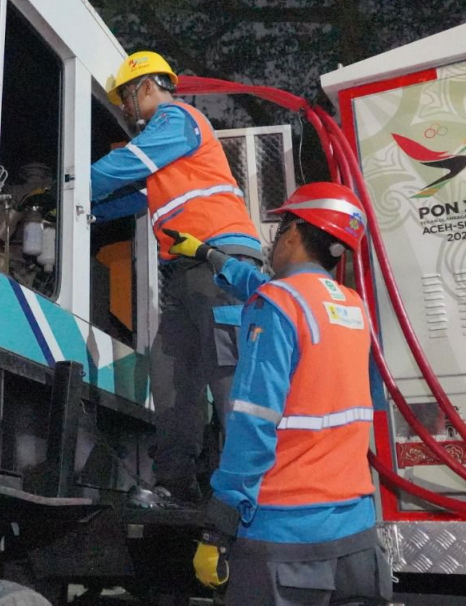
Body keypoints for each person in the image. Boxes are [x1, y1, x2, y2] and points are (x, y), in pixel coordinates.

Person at [166, 182, 391, 606]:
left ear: (292, 234)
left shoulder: (278, 304)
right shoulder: (352, 307)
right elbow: (270, 288)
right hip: (356, 540)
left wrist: (220, 522)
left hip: (285, 542)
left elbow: (253, 422)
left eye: (279, 231)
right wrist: (208, 255)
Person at [90, 51, 263, 503]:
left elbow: (128, 165)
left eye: (126, 98)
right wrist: (87, 209)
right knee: (172, 377)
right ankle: (176, 484)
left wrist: (70, 182)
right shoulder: (173, 154)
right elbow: (141, 197)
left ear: (148, 86)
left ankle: (256, 493)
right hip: (185, 271)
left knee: (229, 380)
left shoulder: (177, 119)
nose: (125, 110)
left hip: (219, 263)